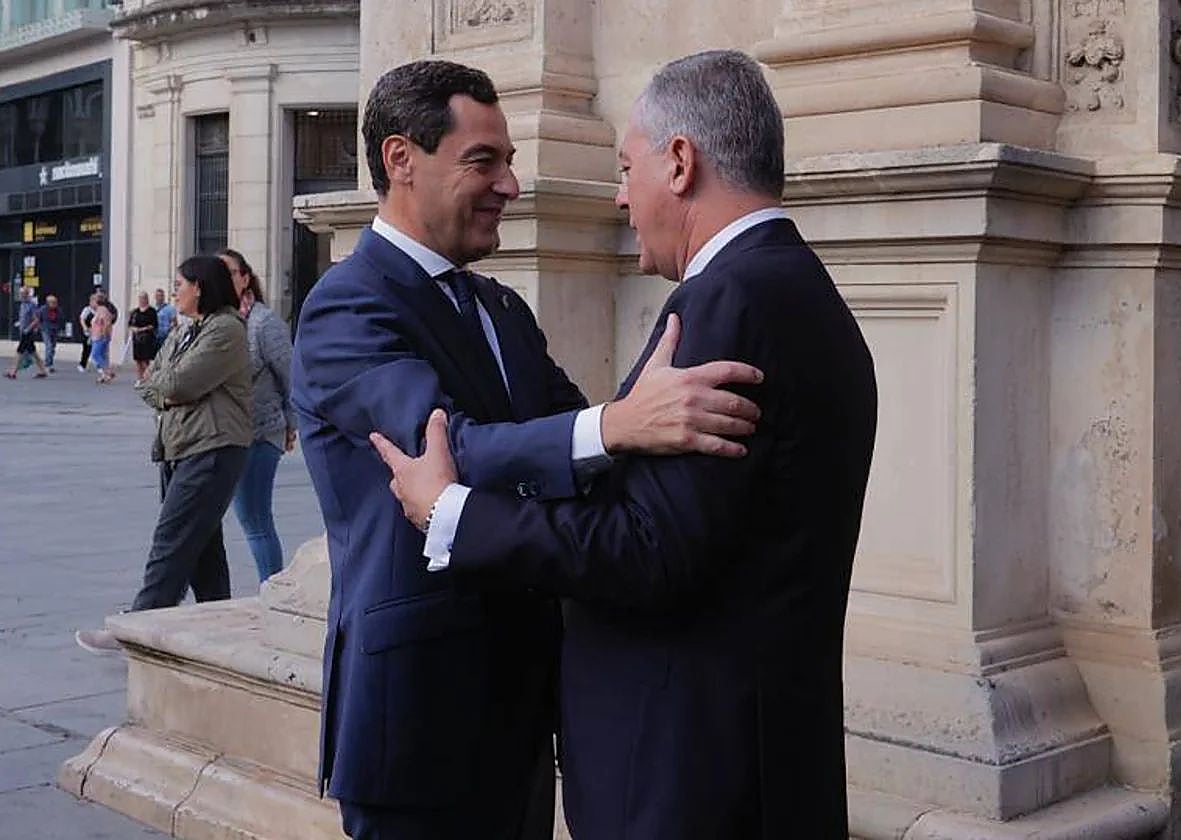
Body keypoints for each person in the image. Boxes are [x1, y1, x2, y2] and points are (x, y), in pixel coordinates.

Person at [369, 50, 878, 840]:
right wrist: (612, 427)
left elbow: (645, 549)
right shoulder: (796, 285)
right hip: (752, 758)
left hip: (688, 777)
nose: (619, 196)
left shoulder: (729, 299)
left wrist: (453, 514)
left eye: (625, 168)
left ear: (680, 163)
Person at [290, 60, 764, 840]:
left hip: (523, 711)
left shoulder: (501, 307)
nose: (509, 185)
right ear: (401, 159)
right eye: (483, 161)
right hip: (417, 720)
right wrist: (617, 425)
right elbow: (446, 453)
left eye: (508, 161)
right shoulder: (345, 304)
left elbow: (575, 449)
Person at [76, 256, 252, 653]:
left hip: (212, 447)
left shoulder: (225, 329)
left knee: (172, 537)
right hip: (180, 446)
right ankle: (217, 622)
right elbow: (151, 379)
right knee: (202, 543)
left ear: (199, 287)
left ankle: (138, 628)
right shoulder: (188, 329)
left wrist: (163, 389)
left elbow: (177, 385)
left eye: (179, 285)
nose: (175, 292)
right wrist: (162, 388)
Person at [219, 248, 296, 583]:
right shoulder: (217, 320)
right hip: (225, 434)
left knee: (254, 519)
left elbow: (292, 376)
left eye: (229, 273)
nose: (223, 280)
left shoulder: (263, 322)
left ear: (245, 278)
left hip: (260, 432)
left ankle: (272, 588)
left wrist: (291, 424)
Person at [5, 286, 47, 379]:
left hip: (28, 332)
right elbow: (23, 318)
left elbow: (36, 319)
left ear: (27, 294)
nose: (21, 295)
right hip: (23, 331)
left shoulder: (31, 305)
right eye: (21, 293)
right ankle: (43, 371)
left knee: (19, 351)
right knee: (33, 352)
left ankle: (13, 372)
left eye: (23, 293)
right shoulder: (22, 305)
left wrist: (28, 329)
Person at [128, 292, 158, 382]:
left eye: (144, 298)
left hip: (147, 338)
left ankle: (147, 379)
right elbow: (130, 324)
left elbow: (154, 325)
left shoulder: (152, 311)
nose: (142, 300)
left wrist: (143, 329)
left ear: (147, 299)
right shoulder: (135, 312)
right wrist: (134, 329)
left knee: (145, 360)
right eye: (140, 298)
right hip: (137, 339)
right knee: (138, 360)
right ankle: (139, 379)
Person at [89, 299, 115, 384]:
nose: (90, 303)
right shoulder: (99, 311)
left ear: (96, 302)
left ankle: (108, 372)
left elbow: (106, 323)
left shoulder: (102, 310)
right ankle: (104, 375)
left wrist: (103, 333)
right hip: (97, 335)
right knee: (102, 356)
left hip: (100, 336)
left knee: (95, 355)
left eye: (92, 301)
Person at [37, 294, 63, 373]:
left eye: (55, 302)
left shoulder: (58, 310)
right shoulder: (43, 309)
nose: (55, 304)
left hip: (54, 330)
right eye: (53, 303)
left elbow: (61, 319)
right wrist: (40, 327)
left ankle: (50, 363)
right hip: (46, 329)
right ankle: (47, 364)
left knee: (53, 347)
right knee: (49, 346)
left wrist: (59, 328)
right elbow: (38, 318)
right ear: (48, 303)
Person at [78, 293, 97, 372]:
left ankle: (99, 365)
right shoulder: (87, 310)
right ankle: (82, 364)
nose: (96, 303)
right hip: (88, 333)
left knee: (97, 349)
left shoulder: (99, 310)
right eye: (94, 301)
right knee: (87, 349)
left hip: (97, 333)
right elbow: (82, 319)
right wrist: (85, 328)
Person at [154, 287, 177, 352]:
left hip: (165, 337)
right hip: (155, 337)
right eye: (157, 296)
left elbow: (175, 322)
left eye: (161, 296)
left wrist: (170, 329)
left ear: (163, 297)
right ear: (155, 297)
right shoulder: (152, 309)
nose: (159, 298)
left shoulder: (170, 308)